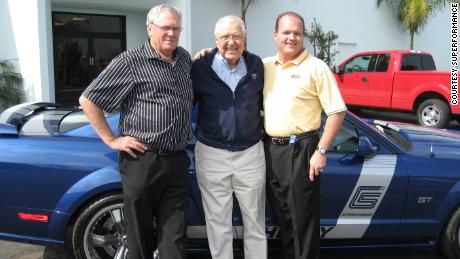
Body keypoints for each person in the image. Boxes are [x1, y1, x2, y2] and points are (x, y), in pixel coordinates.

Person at [79, 4, 192, 259]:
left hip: (176, 159)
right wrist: (111, 139)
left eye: (176, 28)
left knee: (175, 236)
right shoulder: (130, 61)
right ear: (150, 28)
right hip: (143, 160)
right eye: (166, 27)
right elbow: (88, 99)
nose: (172, 33)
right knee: (139, 236)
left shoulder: (184, 58)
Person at [263, 11, 346, 259]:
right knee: (284, 220)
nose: (291, 38)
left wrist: (321, 151)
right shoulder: (265, 66)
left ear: (304, 36)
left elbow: (337, 112)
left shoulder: (316, 67)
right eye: (286, 32)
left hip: (302, 150)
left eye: (297, 33)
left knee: (303, 225)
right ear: (275, 35)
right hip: (270, 151)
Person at [191, 15, 267, 259]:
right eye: (225, 37)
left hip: (250, 153)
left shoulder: (258, 65)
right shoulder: (199, 66)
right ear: (216, 40)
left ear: (245, 39)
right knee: (217, 222)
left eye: (237, 36)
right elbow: (180, 103)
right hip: (211, 153)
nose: (231, 42)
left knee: (254, 220)